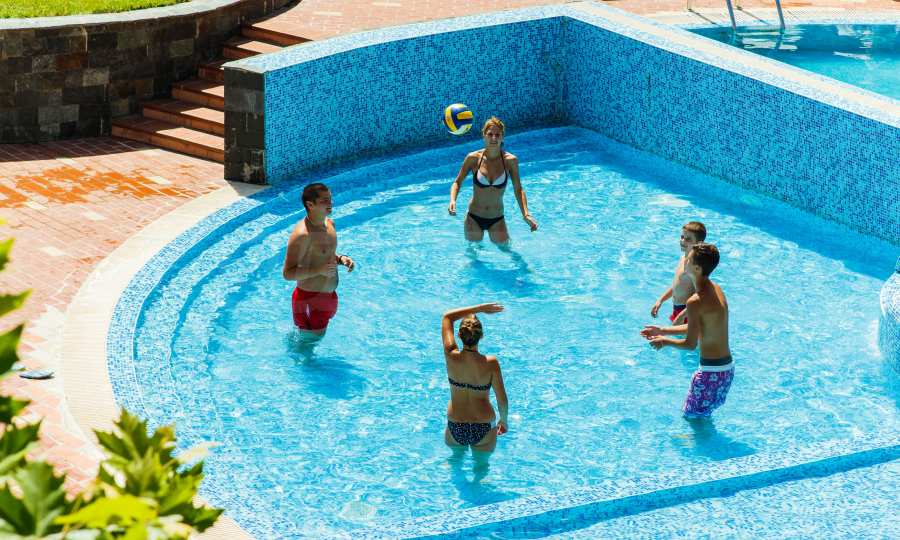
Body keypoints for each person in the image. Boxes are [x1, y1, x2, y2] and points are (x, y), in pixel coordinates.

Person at [641, 243, 733, 418]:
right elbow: (701, 327)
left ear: (697, 268)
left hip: (710, 374)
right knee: (701, 418)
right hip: (726, 371)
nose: (685, 261)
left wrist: (664, 342)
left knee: (692, 419)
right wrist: (662, 330)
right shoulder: (716, 289)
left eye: (688, 259)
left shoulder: (695, 301)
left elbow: (690, 344)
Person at [448, 117, 538, 244]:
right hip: (473, 218)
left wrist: (526, 214)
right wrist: (453, 200)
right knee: (473, 253)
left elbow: (518, 189)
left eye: (497, 135)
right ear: (484, 135)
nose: (494, 138)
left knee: (507, 250)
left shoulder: (510, 161)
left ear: (502, 137)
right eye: (490, 134)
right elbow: (457, 182)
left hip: (497, 218)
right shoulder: (473, 158)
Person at [282, 183, 354, 338]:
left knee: (312, 339)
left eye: (330, 199)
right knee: (309, 344)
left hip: (329, 296)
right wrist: (318, 271)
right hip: (310, 300)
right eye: (324, 200)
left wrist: (341, 259)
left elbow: (323, 255)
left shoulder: (330, 224)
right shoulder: (302, 235)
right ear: (310, 205)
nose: (330, 203)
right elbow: (287, 273)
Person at [441, 303, 509, 451]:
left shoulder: (451, 356)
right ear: (481, 336)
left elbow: (447, 317)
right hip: (483, 426)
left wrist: (480, 308)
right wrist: (503, 421)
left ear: (459, 335)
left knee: (454, 461)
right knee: (482, 464)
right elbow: (502, 400)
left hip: (455, 425)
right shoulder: (491, 363)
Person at [650, 222, 706, 326]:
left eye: (688, 239)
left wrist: (683, 315)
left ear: (699, 243)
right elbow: (677, 286)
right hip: (677, 309)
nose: (683, 241)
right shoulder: (683, 258)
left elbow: (701, 295)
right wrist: (660, 300)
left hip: (687, 313)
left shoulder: (694, 267)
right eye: (682, 237)